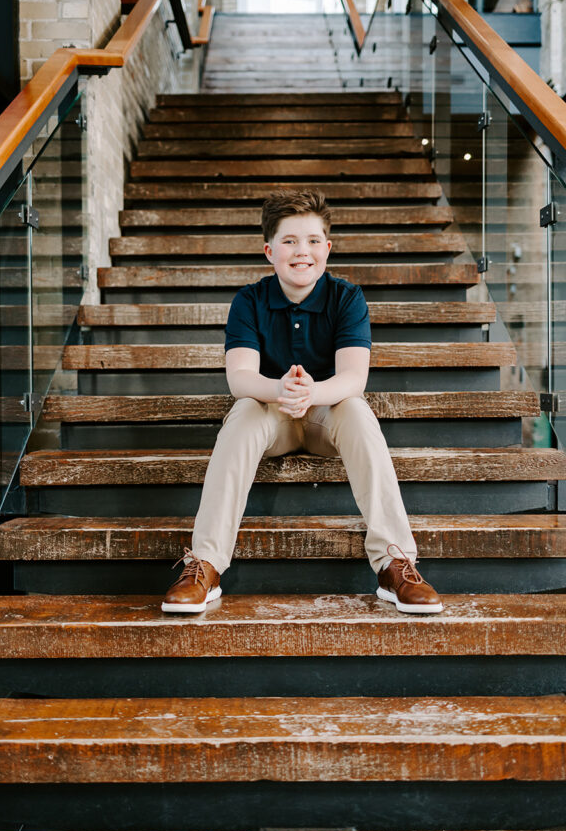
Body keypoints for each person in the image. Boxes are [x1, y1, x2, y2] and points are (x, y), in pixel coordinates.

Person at [161, 189, 443, 616]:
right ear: (269, 251)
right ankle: (206, 564)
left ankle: (394, 563)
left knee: (357, 408)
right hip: (270, 418)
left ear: (327, 248)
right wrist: (282, 391)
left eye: (312, 240)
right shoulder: (249, 301)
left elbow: (354, 377)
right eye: (289, 241)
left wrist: (311, 393)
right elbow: (240, 378)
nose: (302, 251)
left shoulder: (346, 297)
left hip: (327, 417)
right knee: (243, 411)